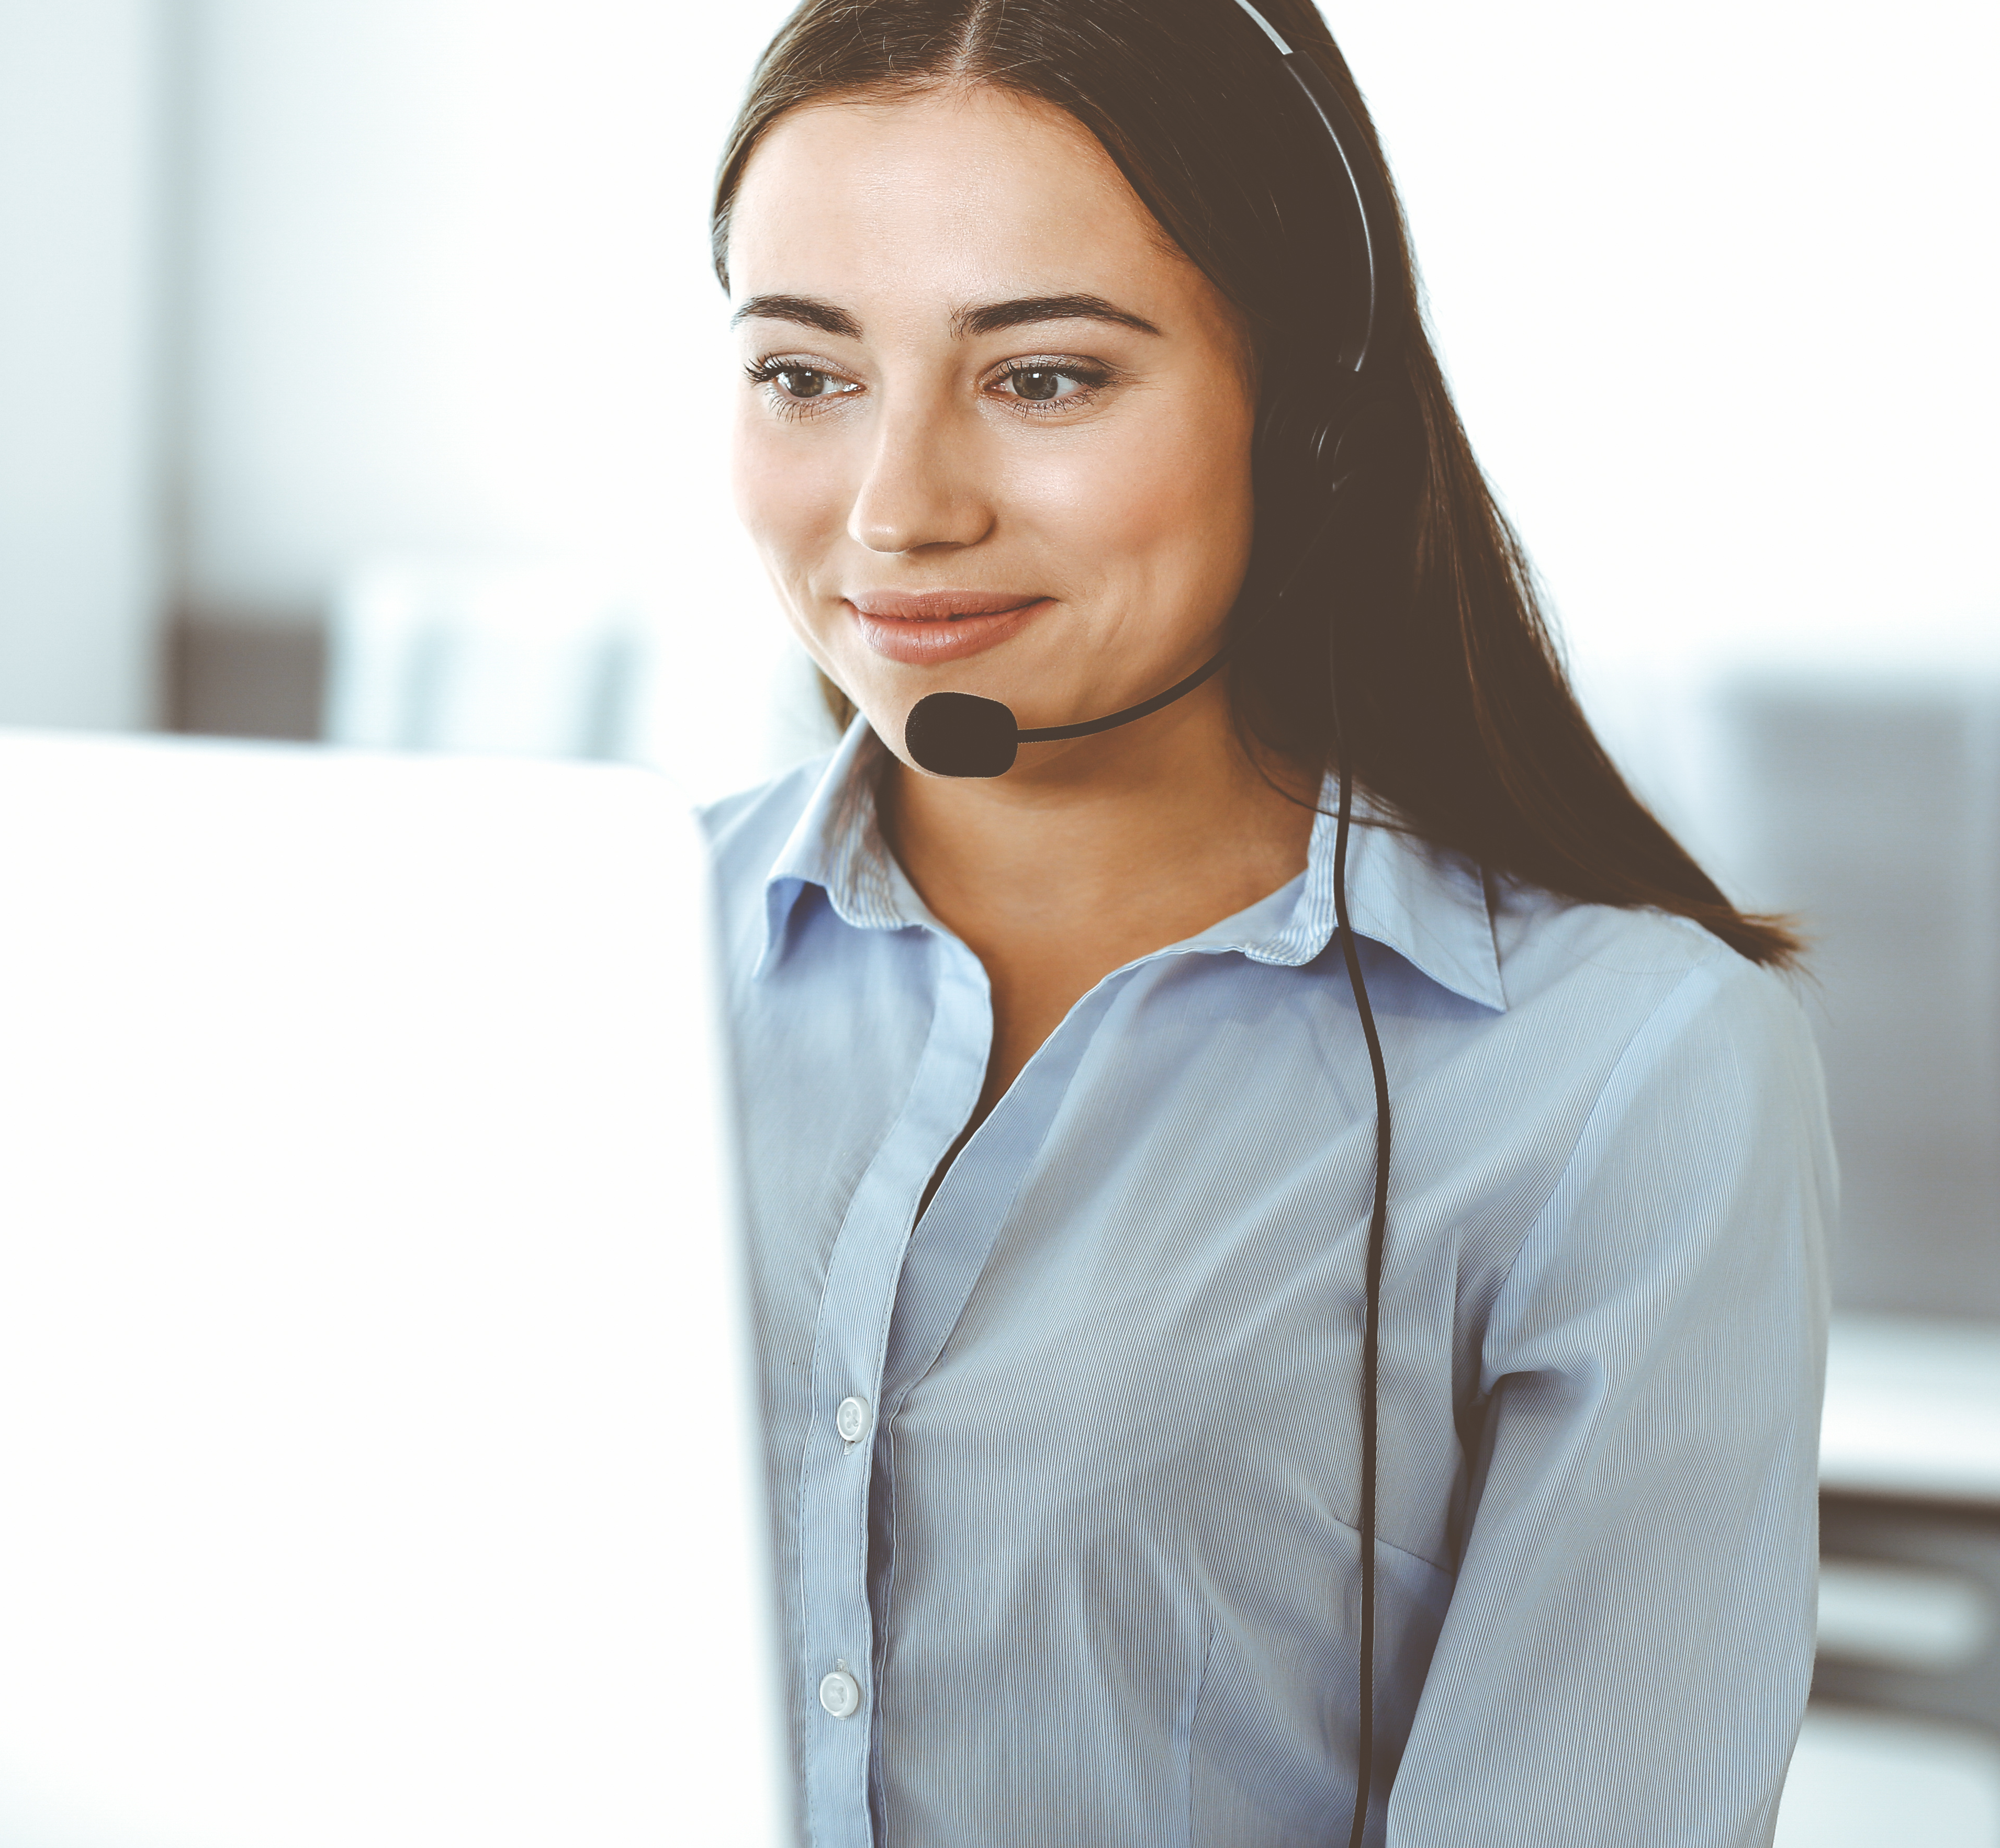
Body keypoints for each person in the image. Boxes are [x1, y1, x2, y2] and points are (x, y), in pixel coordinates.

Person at [695, 3, 1836, 1845]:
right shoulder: (575, 967)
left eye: (1043, 376)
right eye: (806, 375)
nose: (897, 509)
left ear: (1302, 411)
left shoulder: (1621, 1068)